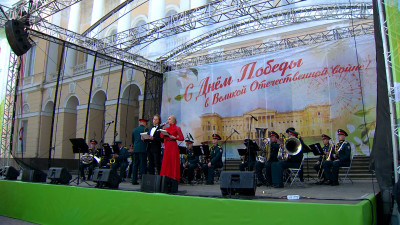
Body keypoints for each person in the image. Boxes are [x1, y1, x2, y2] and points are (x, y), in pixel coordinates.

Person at [160, 115, 184, 182]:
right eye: (167, 119)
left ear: (173, 120)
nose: (168, 120)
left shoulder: (177, 128)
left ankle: (173, 177)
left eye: (169, 119)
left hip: (173, 145)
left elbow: (182, 138)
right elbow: (162, 137)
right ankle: (166, 176)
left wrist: (175, 138)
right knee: (166, 161)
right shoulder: (166, 129)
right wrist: (163, 129)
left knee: (173, 161)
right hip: (167, 145)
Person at [131, 118, 148, 185]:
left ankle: (134, 180)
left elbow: (133, 140)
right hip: (142, 149)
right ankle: (143, 180)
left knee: (135, 165)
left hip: (135, 149)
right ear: (144, 123)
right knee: (142, 165)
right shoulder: (145, 129)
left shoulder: (134, 130)